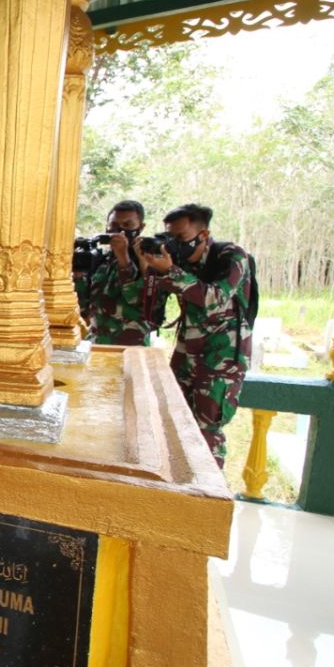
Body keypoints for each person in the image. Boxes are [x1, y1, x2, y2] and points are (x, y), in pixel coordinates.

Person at [134, 203, 254, 467]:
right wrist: (150, 267)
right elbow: (152, 313)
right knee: (175, 420)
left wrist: (171, 271)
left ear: (204, 235)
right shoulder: (175, 263)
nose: (174, 245)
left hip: (220, 357)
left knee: (206, 428)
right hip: (186, 352)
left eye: (180, 238)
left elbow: (214, 298)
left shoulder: (231, 256)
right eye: (169, 237)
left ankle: (208, 497)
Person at [86, 200, 167, 346]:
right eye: (114, 226)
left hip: (130, 346)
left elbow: (140, 301)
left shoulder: (149, 258)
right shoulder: (104, 259)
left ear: (141, 227)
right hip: (97, 343)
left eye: (128, 225)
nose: (120, 231)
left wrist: (124, 259)